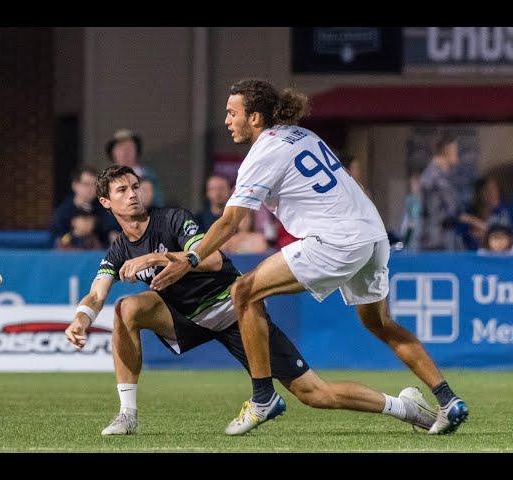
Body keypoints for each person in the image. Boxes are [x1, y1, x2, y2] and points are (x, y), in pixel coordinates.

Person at [150, 78, 468, 436]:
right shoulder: (302, 136)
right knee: (380, 323)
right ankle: (447, 398)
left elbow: (230, 222)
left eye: (232, 113)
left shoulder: (264, 151)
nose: (227, 120)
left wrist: (189, 260)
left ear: (255, 118)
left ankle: (262, 397)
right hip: (371, 233)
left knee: (243, 292)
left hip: (336, 239)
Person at [64, 165, 436, 436]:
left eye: (134, 186)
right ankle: (127, 414)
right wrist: (81, 318)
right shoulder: (117, 250)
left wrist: (156, 258)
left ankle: (405, 407)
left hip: (235, 310)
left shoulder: (174, 220)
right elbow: (98, 291)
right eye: (122, 191)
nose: (132, 194)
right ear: (105, 202)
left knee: (315, 394)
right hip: (187, 318)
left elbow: (209, 259)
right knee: (126, 308)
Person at [50, 166, 120, 247]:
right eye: (86, 184)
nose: (90, 188)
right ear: (75, 185)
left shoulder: (105, 208)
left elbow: (114, 232)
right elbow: (55, 240)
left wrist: (96, 224)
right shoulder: (63, 211)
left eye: (94, 184)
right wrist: (74, 233)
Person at [106, 128, 165, 208]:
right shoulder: (105, 178)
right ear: (113, 153)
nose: (125, 152)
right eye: (120, 148)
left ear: (136, 151)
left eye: (129, 147)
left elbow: (155, 202)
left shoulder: (148, 176)